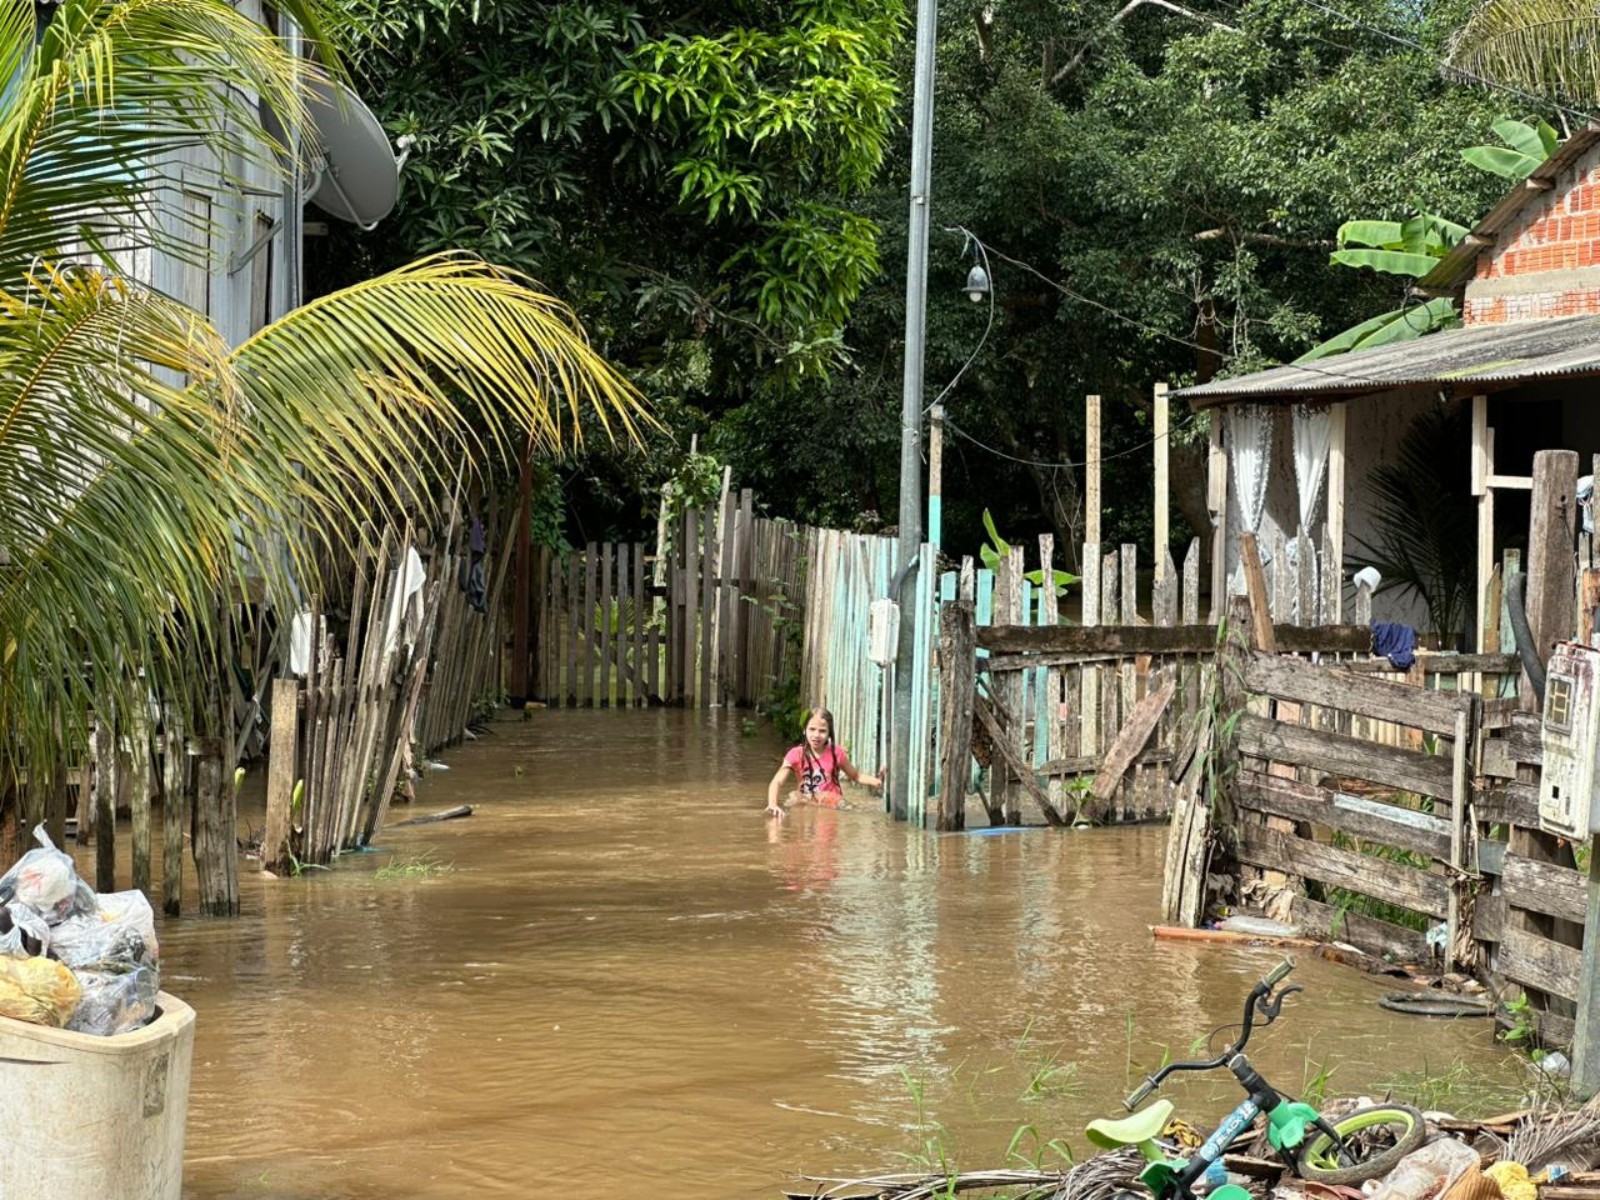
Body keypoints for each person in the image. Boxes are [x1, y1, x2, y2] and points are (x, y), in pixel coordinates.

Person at [764, 708, 883, 817]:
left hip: (832, 802)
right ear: (804, 730)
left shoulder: (836, 753)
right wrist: (772, 803)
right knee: (793, 797)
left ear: (829, 734)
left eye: (822, 731)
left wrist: (878, 782)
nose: (816, 735)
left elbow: (856, 775)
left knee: (852, 809)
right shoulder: (796, 754)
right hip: (806, 800)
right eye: (812, 729)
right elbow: (777, 781)